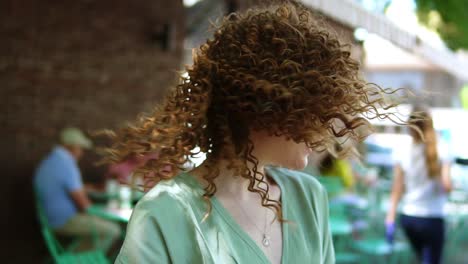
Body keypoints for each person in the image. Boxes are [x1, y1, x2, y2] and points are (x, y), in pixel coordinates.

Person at [103, 1, 400, 263]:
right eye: (312, 110)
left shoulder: (310, 198)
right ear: (265, 107)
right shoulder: (166, 214)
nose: (326, 126)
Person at [34, 127, 121, 253]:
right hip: (63, 220)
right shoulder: (66, 163)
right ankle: (79, 260)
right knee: (113, 230)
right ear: (72, 146)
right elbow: (83, 204)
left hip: (49, 219)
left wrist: (85, 189)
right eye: (80, 148)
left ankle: (74, 258)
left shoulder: (51, 161)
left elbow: (65, 187)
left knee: (102, 226)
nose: (81, 153)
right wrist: (105, 213)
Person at [386, 110, 452, 264]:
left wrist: (390, 218)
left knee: (422, 257)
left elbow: (397, 188)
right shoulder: (442, 148)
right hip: (433, 217)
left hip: (409, 217)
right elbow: (447, 185)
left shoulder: (403, 149)